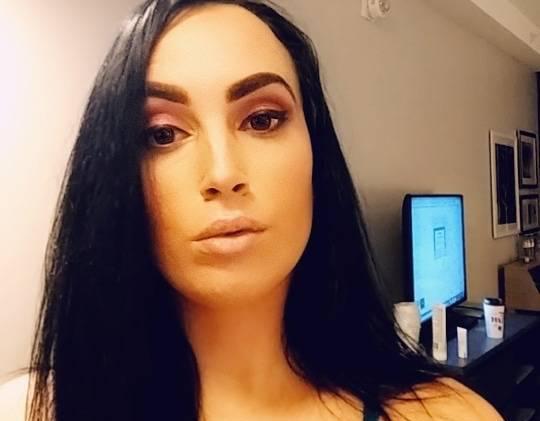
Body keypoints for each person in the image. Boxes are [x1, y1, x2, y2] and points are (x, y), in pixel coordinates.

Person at [0, 1, 503, 420]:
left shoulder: (449, 415)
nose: (222, 173)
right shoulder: (32, 411)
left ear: (316, 152)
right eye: (163, 134)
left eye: (262, 120)